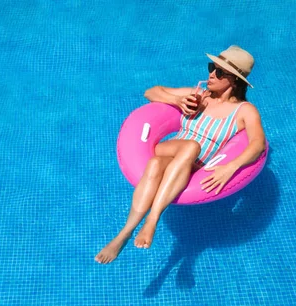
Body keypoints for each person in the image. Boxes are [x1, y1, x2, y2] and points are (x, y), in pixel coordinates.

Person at [95, 45, 267, 264]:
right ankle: (152, 221)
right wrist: (177, 101)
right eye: (211, 67)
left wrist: (230, 166)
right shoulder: (199, 95)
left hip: (188, 165)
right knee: (191, 146)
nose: (211, 74)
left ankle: (123, 235)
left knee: (156, 164)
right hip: (172, 148)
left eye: (219, 72)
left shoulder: (244, 111)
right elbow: (151, 92)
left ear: (234, 80)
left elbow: (257, 144)